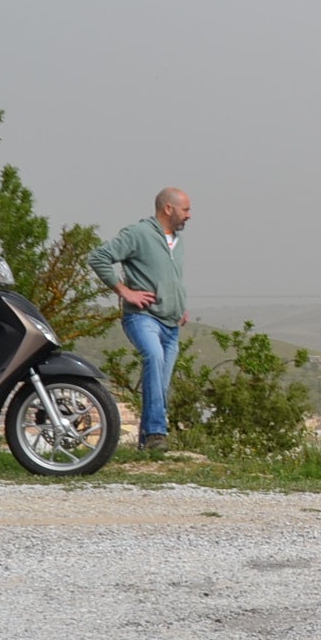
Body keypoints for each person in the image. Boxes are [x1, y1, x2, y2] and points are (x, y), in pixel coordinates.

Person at [88, 188, 192, 451]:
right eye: (186, 210)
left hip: (171, 323)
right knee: (153, 357)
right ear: (168, 208)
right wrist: (124, 291)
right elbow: (99, 257)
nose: (189, 216)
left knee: (160, 383)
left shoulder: (177, 241)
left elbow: (171, 279)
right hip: (143, 317)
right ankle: (157, 433)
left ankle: (147, 442)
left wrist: (180, 305)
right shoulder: (139, 234)